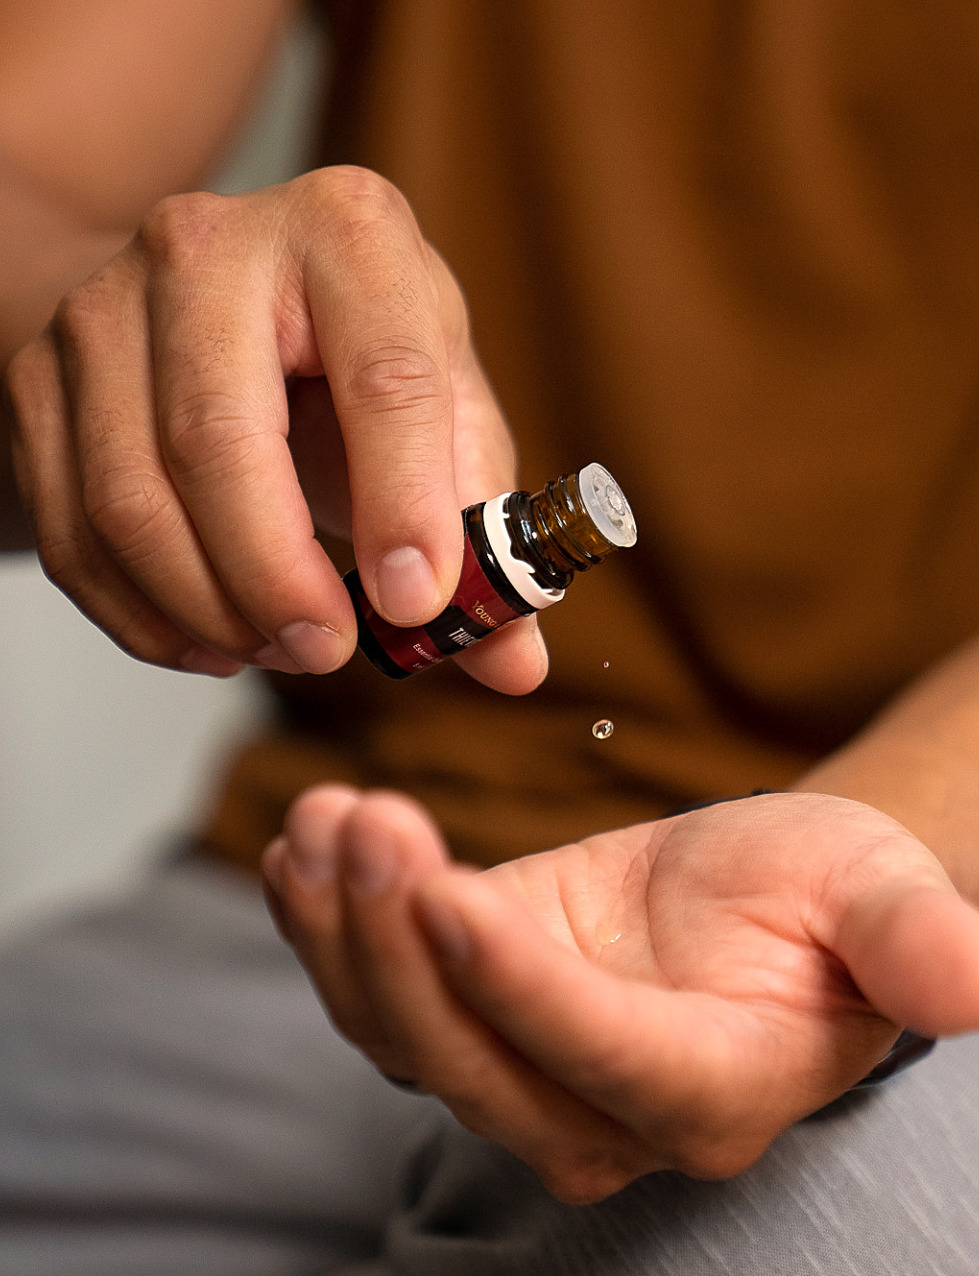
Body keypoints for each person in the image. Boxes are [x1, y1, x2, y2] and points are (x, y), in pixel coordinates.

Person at [3, 1, 979, 1271]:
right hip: (294, 910)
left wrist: (863, 865)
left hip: (909, 915)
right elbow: (28, 174)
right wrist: (106, 358)